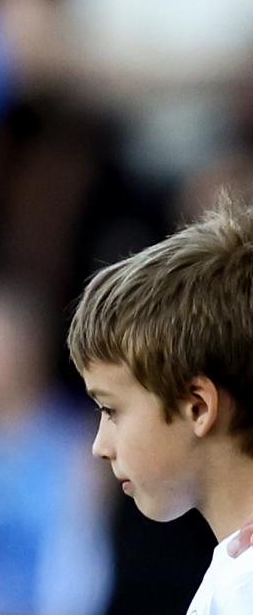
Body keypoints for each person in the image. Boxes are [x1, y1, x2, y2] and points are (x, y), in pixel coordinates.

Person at [67, 201, 253, 614]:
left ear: (198, 407)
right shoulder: (233, 575)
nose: (100, 446)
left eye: (111, 409)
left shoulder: (243, 588)